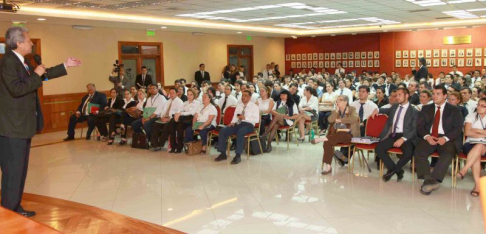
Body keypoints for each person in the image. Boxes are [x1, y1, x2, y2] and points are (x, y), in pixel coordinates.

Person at [0, 26, 81, 216]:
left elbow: (40, 76)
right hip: (13, 127)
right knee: (13, 172)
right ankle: (8, 213)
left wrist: (65, 65)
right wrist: (36, 74)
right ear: (18, 43)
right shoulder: (8, 62)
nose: (31, 43)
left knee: (19, 171)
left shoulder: (22, 61)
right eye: (28, 40)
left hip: (21, 126)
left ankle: (14, 208)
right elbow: (16, 89)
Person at [415, 85, 464, 195]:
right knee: (419, 152)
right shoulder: (426, 108)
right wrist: (427, 136)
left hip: (447, 138)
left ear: (445, 96)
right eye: (433, 94)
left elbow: (457, 129)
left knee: (447, 153)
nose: (434, 96)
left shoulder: (455, 110)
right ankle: (429, 180)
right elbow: (419, 127)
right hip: (430, 136)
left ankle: (434, 179)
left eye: (438, 94)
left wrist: (445, 138)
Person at [372, 88, 419, 182]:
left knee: (409, 152)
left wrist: (403, 138)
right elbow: (385, 110)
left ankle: (392, 171)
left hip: (407, 137)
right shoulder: (395, 106)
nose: (397, 97)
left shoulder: (414, 111)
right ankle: (397, 170)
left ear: (407, 96)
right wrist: (377, 109)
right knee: (379, 149)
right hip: (393, 135)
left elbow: (415, 130)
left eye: (399, 95)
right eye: (396, 95)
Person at [312, 95, 359, 175]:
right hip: (335, 135)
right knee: (327, 143)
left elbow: (354, 118)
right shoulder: (335, 111)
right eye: (337, 100)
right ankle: (328, 166)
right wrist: (336, 112)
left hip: (349, 134)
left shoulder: (352, 109)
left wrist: (340, 120)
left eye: (340, 100)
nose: (337, 101)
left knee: (340, 134)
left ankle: (322, 139)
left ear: (345, 102)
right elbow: (330, 120)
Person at [214, 91, 259, 164]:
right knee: (223, 131)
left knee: (240, 132)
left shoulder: (254, 106)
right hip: (238, 124)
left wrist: (245, 117)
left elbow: (256, 120)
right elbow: (235, 116)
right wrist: (232, 122)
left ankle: (238, 155)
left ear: (250, 97)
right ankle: (223, 154)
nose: (243, 97)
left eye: (246, 95)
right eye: (242, 95)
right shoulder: (239, 105)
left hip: (249, 125)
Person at [456, 98, 486, 197]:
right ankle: (477, 185)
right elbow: (468, 132)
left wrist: (476, 130)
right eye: (478, 105)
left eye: (483, 106)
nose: (479, 107)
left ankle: (464, 169)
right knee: (477, 153)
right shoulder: (471, 116)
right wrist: (483, 133)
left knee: (480, 146)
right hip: (470, 143)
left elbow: (472, 131)